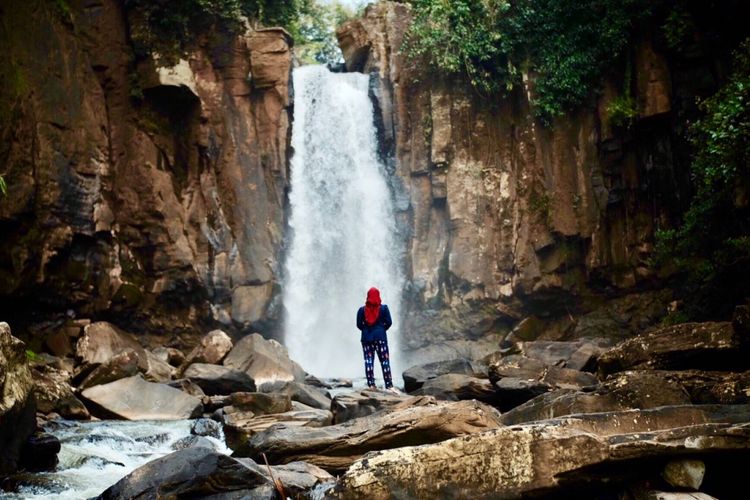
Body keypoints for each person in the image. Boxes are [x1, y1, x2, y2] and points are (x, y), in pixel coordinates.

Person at [356, 287, 395, 391]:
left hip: (366, 338)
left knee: (368, 361)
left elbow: (359, 324)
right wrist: (382, 329)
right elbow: (389, 322)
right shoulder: (384, 308)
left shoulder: (361, 310)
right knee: (385, 361)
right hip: (380, 338)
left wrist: (366, 329)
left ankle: (371, 385)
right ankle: (389, 385)